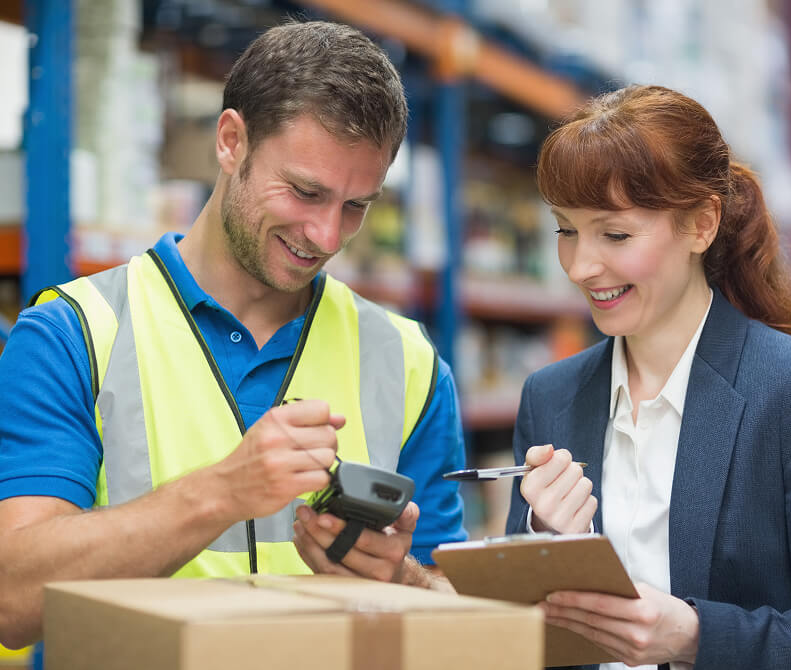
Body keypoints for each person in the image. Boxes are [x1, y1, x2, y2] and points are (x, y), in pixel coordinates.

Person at [0, 20, 466, 650]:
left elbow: (455, 613)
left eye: (357, 205)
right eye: (305, 192)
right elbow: (12, 600)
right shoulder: (74, 334)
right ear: (231, 141)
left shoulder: (408, 363)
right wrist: (219, 493)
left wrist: (401, 577)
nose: (327, 236)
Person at [506, 85, 791, 670]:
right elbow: (524, 629)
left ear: (701, 224)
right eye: (566, 230)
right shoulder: (552, 397)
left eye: (614, 234)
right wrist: (542, 541)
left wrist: (695, 636)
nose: (582, 266)